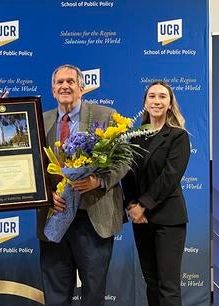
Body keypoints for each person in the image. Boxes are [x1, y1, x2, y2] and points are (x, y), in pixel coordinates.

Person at [37, 64, 130, 306]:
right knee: (56, 295)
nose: (65, 86)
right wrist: (45, 194)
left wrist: (99, 181)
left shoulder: (106, 116)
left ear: (82, 87)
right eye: (59, 82)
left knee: (93, 294)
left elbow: (125, 159)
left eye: (70, 81)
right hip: (54, 217)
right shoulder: (40, 119)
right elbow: (30, 166)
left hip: (93, 217)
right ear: (52, 90)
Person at [121, 81, 190, 306]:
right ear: (145, 103)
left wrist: (143, 205)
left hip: (168, 219)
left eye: (162, 96)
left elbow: (170, 177)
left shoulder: (178, 136)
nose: (157, 101)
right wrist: (132, 205)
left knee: (168, 287)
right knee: (151, 282)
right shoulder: (133, 138)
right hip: (141, 220)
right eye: (152, 96)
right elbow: (127, 176)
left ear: (170, 104)